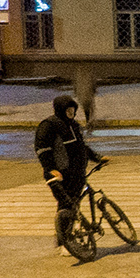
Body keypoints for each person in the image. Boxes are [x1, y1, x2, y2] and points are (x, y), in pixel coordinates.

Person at [34, 95, 106, 256]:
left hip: (77, 174)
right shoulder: (49, 126)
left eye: (73, 110)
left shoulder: (73, 125)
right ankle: (65, 243)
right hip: (61, 175)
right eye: (68, 110)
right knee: (66, 206)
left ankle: (66, 239)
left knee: (73, 206)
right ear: (60, 110)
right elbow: (42, 149)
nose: (71, 113)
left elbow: (82, 148)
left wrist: (97, 158)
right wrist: (50, 168)